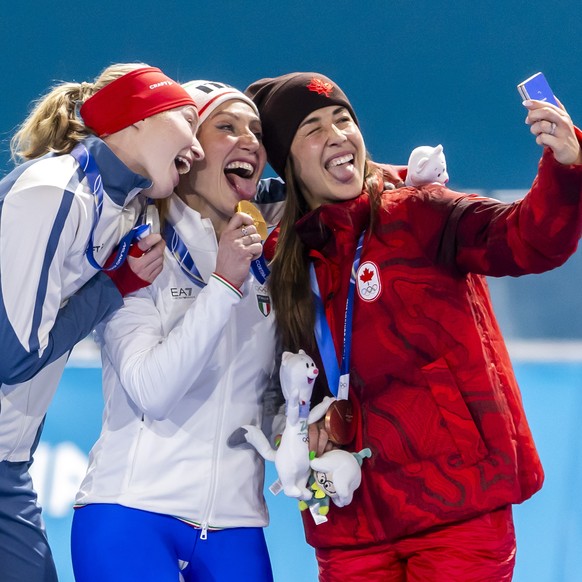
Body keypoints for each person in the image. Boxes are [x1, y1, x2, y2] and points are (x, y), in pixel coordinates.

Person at [246, 72, 582, 581]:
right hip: (351, 516)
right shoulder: (283, 259)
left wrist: (567, 166)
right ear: (288, 161)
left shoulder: (420, 213)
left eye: (343, 120)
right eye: (313, 128)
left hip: (456, 502)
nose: (338, 135)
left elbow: (527, 240)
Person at [0, 63, 203, 582]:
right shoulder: (55, 190)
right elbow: (15, 356)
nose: (198, 151)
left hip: (10, 459)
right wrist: (115, 287)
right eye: (187, 122)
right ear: (137, 118)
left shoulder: (126, 209)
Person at [72, 81, 280, 582]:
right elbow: (152, 390)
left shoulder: (267, 258)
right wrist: (225, 282)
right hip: (131, 512)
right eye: (226, 127)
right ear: (185, 150)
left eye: (255, 130)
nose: (249, 140)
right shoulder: (137, 245)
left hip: (237, 524)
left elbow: (260, 395)